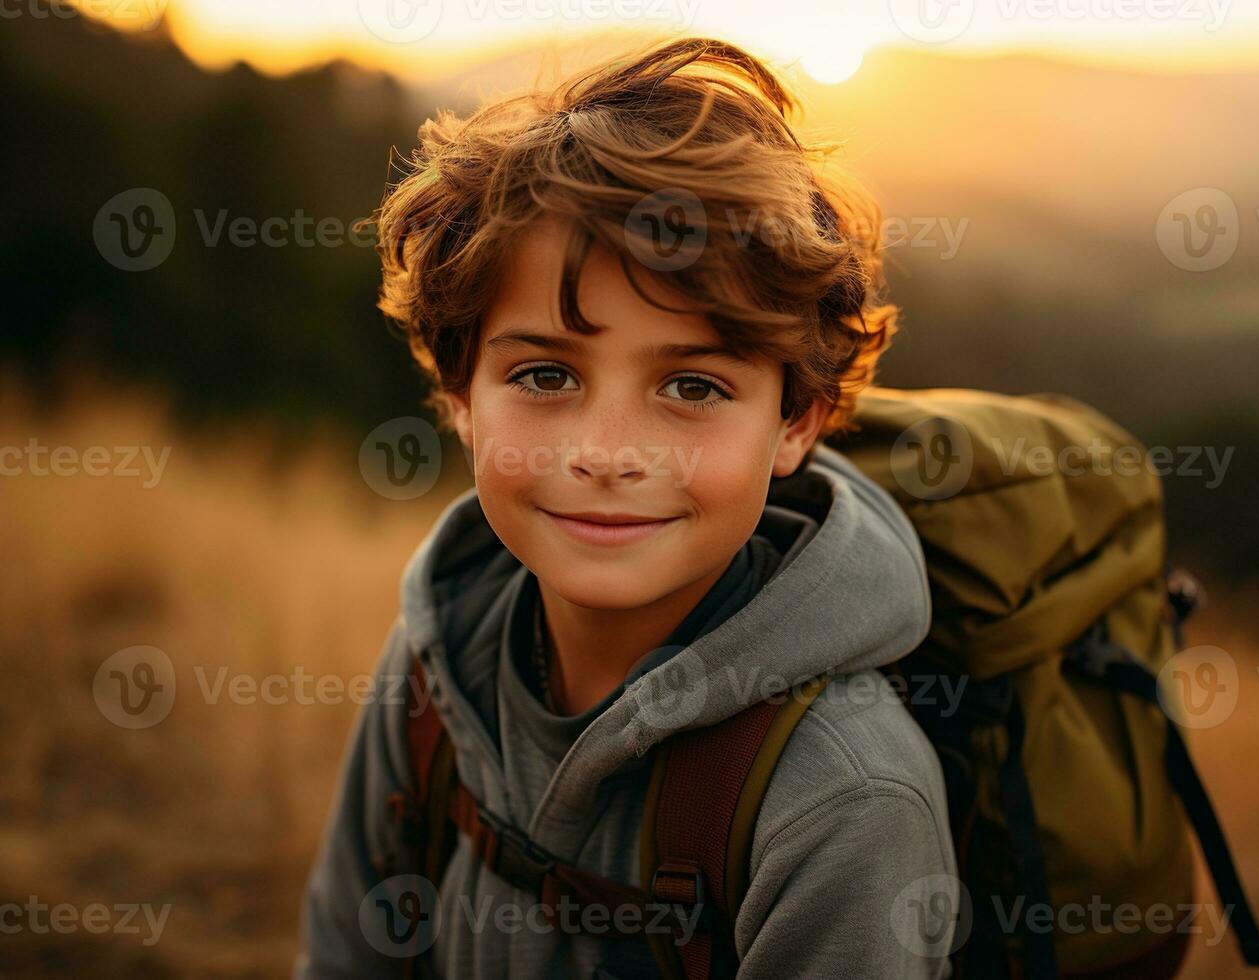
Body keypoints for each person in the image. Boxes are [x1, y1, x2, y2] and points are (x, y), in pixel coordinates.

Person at [296, 36, 958, 979]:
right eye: (544, 373)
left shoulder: (839, 802)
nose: (607, 454)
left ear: (796, 423)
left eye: (692, 388)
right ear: (459, 398)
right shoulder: (435, 662)